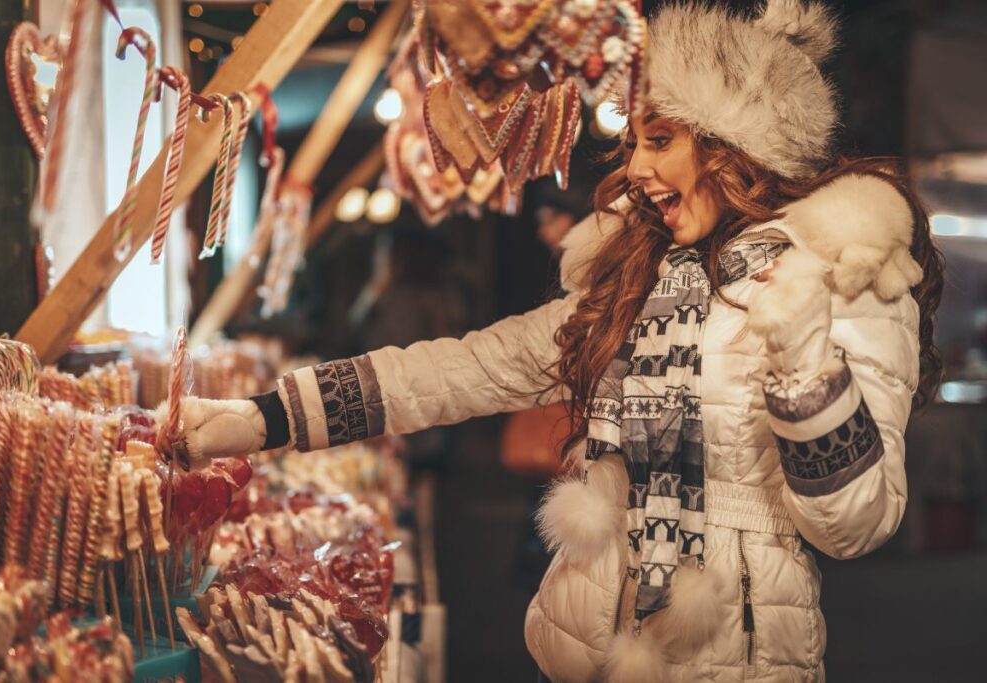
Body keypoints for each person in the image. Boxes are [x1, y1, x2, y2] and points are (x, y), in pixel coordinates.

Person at [170, 1, 944, 681]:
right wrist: (264, 418)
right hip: (584, 649)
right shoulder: (630, 278)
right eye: (635, 141)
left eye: (661, 138)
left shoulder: (847, 273)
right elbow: (463, 370)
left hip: (735, 658)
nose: (636, 167)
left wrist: (805, 361)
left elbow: (858, 522)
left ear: (733, 146)